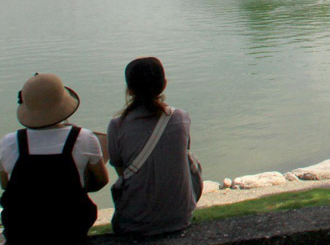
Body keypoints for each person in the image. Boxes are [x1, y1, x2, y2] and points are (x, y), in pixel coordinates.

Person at [0, 73, 108, 244]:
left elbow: (6, 185)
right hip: (70, 232)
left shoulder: (8, 143)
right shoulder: (84, 138)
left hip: (21, 234)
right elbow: (101, 180)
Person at [107, 57, 197, 236]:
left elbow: (121, 170)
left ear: (129, 89)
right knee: (190, 160)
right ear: (164, 84)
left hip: (133, 222)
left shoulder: (117, 125)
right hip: (180, 218)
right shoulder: (181, 118)